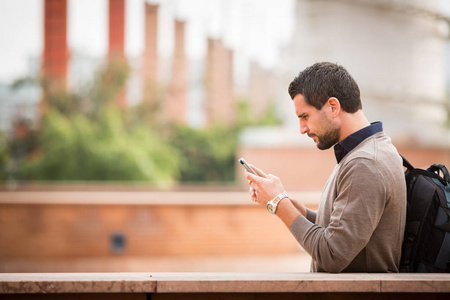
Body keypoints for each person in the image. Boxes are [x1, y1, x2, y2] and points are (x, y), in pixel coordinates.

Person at [245, 62, 406, 273]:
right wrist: (286, 201)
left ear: (333, 107)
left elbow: (332, 255)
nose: (302, 129)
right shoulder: (367, 151)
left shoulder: (364, 164)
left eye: (305, 117)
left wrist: (278, 204)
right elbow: (339, 230)